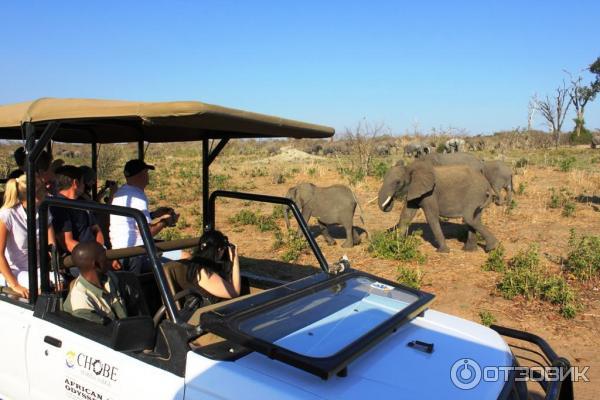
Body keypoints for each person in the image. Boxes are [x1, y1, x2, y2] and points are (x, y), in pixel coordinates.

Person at [110, 159, 178, 273]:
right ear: (141, 174)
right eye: (146, 172)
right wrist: (166, 222)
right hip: (137, 253)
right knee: (185, 257)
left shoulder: (121, 192)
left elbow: (131, 220)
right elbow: (147, 232)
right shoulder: (137, 196)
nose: (147, 176)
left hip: (120, 252)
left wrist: (154, 214)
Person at [0, 175, 56, 298]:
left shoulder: (43, 211)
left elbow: (51, 246)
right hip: (15, 271)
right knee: (46, 288)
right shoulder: (7, 215)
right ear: (35, 194)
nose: (47, 189)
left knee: (59, 282)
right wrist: (14, 285)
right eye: (43, 188)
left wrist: (54, 262)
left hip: (38, 268)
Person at [165, 230, 241, 305]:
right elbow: (235, 293)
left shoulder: (199, 263)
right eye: (223, 248)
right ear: (219, 249)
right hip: (212, 313)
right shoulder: (203, 272)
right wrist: (235, 259)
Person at [63, 242, 127, 324]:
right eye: (104, 256)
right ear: (96, 264)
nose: (109, 259)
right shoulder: (81, 302)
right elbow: (106, 332)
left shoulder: (110, 278)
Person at [51, 165, 105, 254]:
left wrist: (101, 251)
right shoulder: (58, 207)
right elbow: (67, 243)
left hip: (95, 254)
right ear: (76, 183)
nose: (84, 186)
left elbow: (96, 229)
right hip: (79, 259)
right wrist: (93, 256)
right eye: (83, 182)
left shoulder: (82, 202)